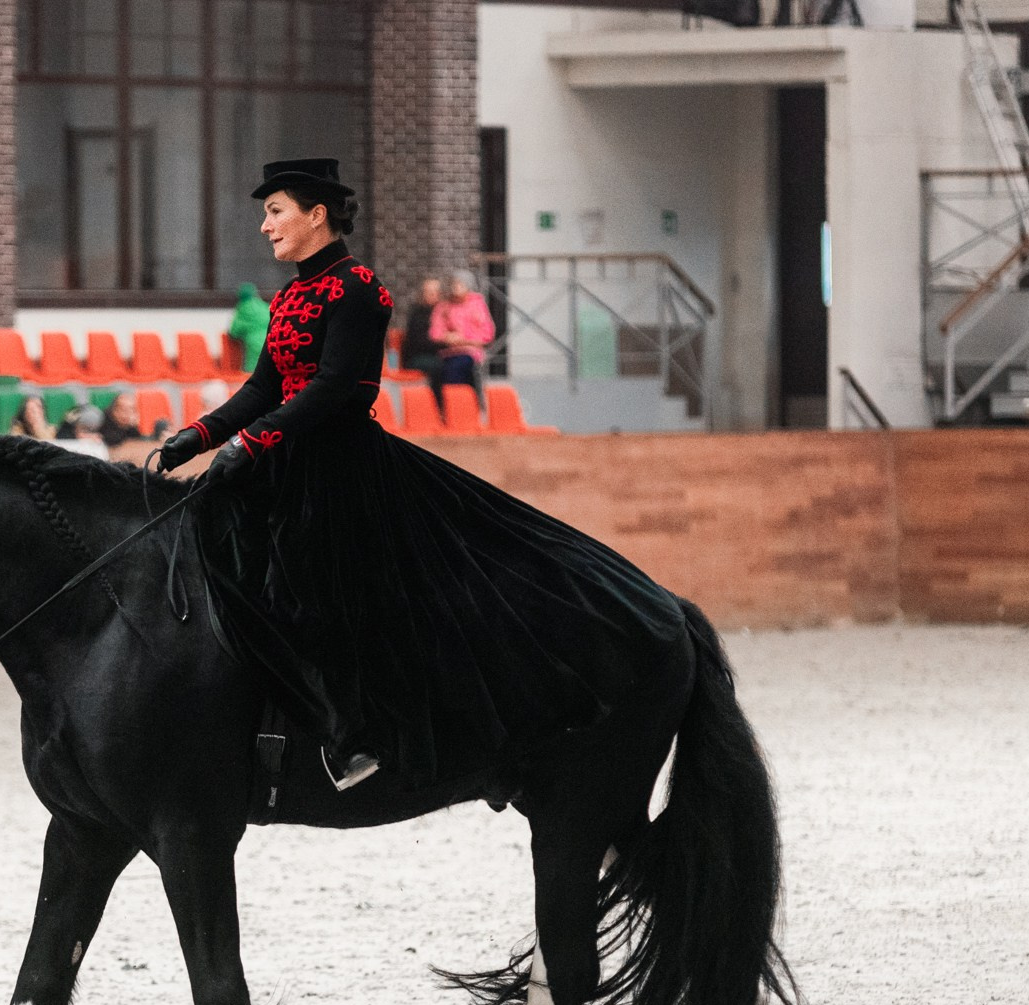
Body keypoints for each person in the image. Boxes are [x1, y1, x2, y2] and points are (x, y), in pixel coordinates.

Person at [155, 157, 684, 790]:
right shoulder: (291, 295)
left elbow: (338, 390)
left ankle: (352, 734)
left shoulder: (360, 289)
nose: (265, 227)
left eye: (275, 212)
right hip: (282, 458)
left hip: (338, 467)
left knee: (316, 585)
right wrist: (200, 434)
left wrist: (255, 440)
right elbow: (265, 385)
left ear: (316, 214)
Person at [429, 269, 495, 389]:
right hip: (447, 352)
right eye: (454, 284)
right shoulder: (443, 306)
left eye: (460, 284)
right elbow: (435, 331)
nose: (456, 287)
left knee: (459, 368)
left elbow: (487, 334)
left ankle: (458, 398)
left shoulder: (477, 305)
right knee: (437, 369)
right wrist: (446, 337)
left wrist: (463, 339)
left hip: (470, 353)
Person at [401, 276, 446, 392]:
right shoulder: (418, 314)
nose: (433, 295)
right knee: (439, 367)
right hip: (417, 357)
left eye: (436, 292)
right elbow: (418, 342)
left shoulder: (444, 312)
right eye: (429, 292)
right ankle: (439, 405)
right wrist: (445, 342)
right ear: (423, 294)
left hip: (441, 355)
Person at [228, 281, 271, 374]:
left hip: (254, 347)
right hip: (270, 346)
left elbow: (233, 332)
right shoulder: (265, 306)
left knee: (252, 376)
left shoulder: (243, 308)